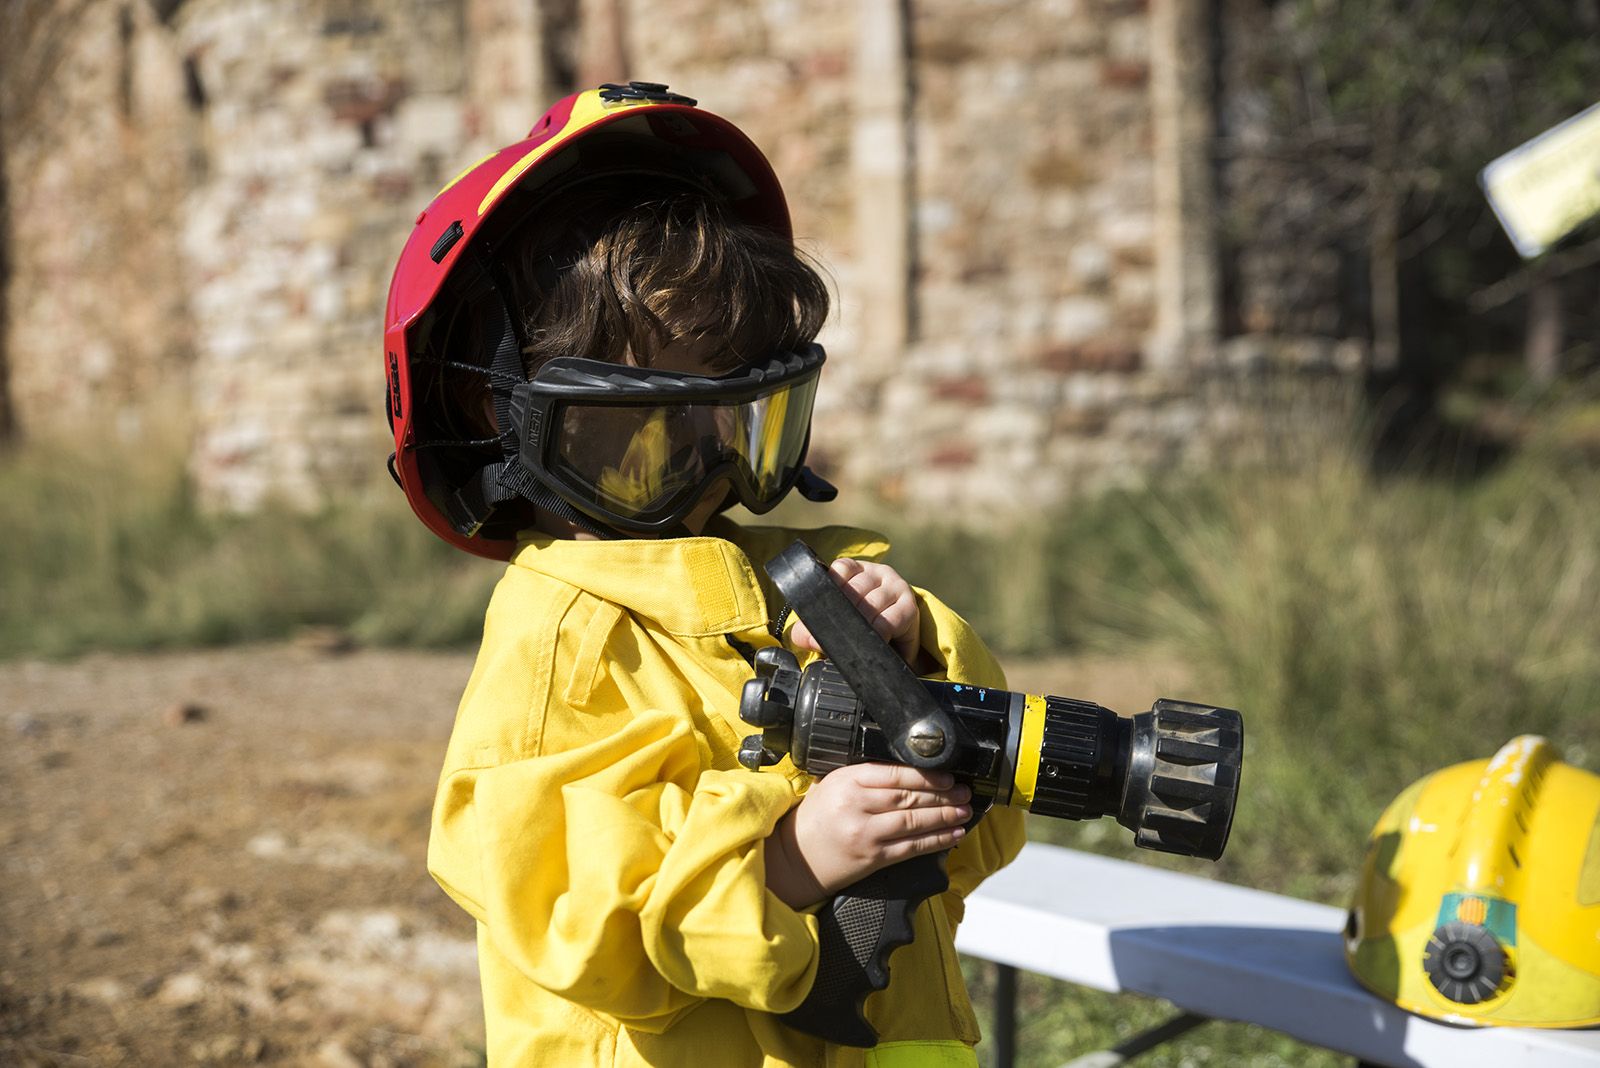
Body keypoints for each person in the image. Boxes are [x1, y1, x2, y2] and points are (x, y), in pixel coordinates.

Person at [383, 82, 1025, 1067]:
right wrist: (785, 861)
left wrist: (916, 656)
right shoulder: (563, 640)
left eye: (734, 421)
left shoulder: (807, 585)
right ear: (502, 420)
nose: (705, 468)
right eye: (641, 429)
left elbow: (978, 835)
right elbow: (567, 908)